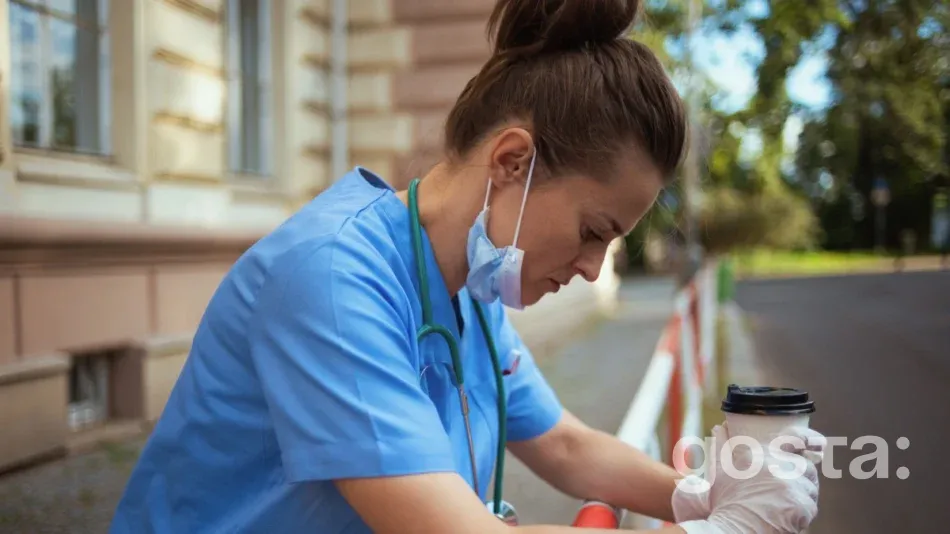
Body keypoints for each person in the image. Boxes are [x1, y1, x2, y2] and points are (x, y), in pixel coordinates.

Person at [110, 0, 825, 532]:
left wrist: (704, 493)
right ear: (512, 161)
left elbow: (565, 445)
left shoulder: (470, 290)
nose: (591, 268)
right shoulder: (331, 279)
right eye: (592, 232)